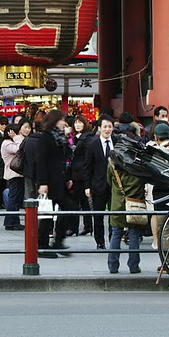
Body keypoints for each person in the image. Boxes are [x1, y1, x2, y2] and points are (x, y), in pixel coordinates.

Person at [36, 110, 75, 258]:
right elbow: (41, 161)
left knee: (69, 207)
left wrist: (67, 178)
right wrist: (42, 182)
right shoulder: (45, 138)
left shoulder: (60, 137)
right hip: (48, 181)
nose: (64, 122)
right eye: (61, 119)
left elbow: (65, 159)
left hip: (59, 181)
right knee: (47, 214)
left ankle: (58, 241)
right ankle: (43, 245)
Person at [107, 132, 145, 274]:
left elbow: (109, 181)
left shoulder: (113, 162)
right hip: (136, 202)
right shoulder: (138, 163)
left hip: (118, 203)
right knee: (134, 234)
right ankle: (134, 266)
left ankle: (113, 266)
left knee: (116, 233)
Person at [83, 114, 115, 249]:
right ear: (99, 128)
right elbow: (87, 166)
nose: (107, 129)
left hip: (114, 186)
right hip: (98, 184)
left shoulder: (117, 142)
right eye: (105, 127)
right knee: (98, 215)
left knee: (115, 215)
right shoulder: (93, 144)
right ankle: (100, 241)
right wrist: (87, 186)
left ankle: (113, 239)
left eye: (110, 127)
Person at [147, 122, 169, 250]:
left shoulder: (151, 150)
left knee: (161, 224)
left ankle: (158, 245)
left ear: (156, 137)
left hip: (157, 190)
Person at [69, 115, 93, 236]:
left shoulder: (86, 138)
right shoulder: (76, 137)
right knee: (79, 201)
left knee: (81, 202)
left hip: (81, 173)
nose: (77, 125)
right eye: (76, 123)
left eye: (80, 123)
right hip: (76, 173)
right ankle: (81, 226)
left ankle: (82, 227)